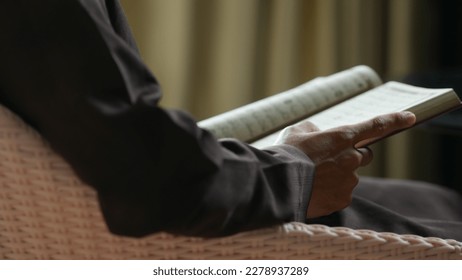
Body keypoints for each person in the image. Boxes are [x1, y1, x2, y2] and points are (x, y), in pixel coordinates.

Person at [1, 0, 461, 240]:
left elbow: (109, 128)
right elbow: (142, 177)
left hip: (147, 191)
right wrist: (295, 173)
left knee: (432, 198)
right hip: (178, 223)